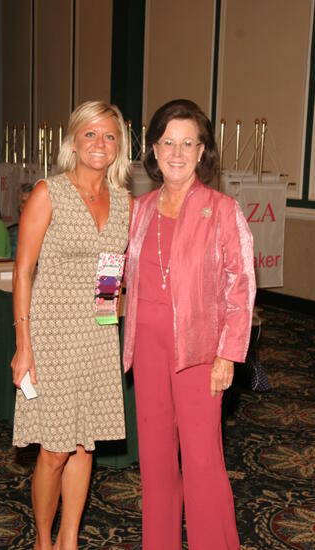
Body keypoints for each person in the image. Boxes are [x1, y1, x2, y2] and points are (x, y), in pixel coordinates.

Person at [123, 99, 256, 550]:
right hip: (147, 347)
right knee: (156, 461)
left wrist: (228, 355)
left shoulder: (222, 210)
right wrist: (104, 320)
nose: (176, 153)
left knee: (202, 461)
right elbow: (111, 273)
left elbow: (241, 287)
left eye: (187, 143)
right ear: (154, 149)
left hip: (201, 352)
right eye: (167, 142)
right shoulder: (137, 210)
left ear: (202, 152)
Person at [11, 100, 132, 550]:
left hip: (98, 333)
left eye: (110, 135)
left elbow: (111, 272)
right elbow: (24, 271)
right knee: (55, 449)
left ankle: (69, 541)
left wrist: (112, 317)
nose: (100, 144)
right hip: (51, 335)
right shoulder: (49, 192)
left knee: (86, 445)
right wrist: (24, 345)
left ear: (120, 145)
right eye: (90, 134)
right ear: (74, 141)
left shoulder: (123, 201)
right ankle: (44, 541)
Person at [9, 183, 35, 259]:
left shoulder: (47, 231)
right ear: (20, 206)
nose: (27, 205)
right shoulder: (14, 232)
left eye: (30, 201)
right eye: (24, 202)